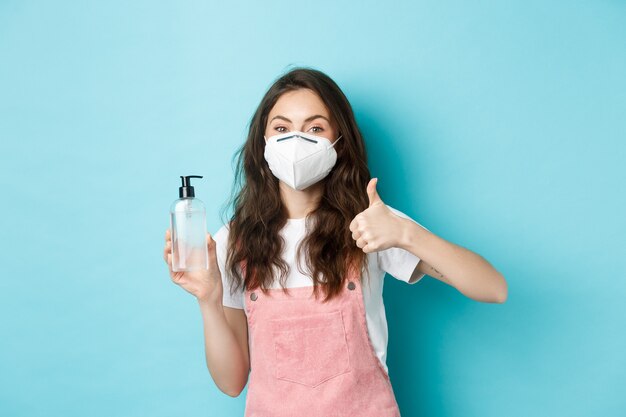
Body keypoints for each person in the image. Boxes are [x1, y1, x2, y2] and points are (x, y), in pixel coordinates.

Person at [163, 67, 508, 416]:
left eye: (315, 128)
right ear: (263, 143)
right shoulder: (234, 242)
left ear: (338, 142)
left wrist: (406, 233)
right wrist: (208, 299)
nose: (296, 142)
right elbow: (231, 382)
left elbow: (493, 288)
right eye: (281, 128)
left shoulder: (372, 224)